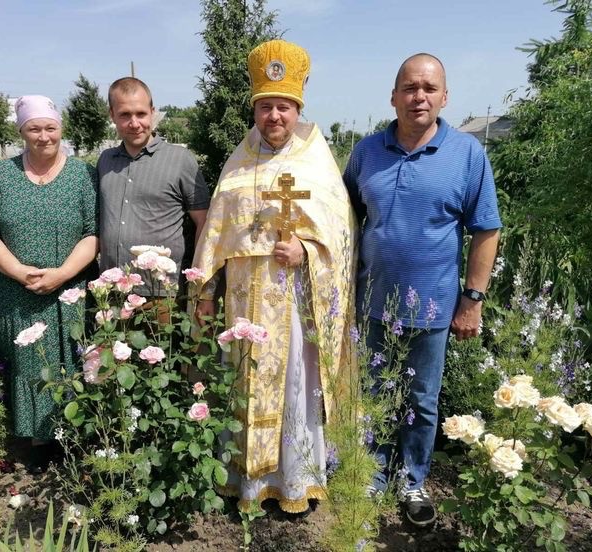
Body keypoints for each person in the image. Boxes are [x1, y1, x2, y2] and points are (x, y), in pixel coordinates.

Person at [192, 39, 356, 515]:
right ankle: (246, 482)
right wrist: (203, 287)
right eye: (265, 107)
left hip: (296, 302)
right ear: (256, 109)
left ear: (297, 107)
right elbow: (217, 230)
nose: (274, 117)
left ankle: (295, 479)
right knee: (243, 379)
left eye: (283, 106)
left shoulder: (317, 159)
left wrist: (305, 248)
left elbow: (340, 231)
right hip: (245, 302)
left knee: (295, 386)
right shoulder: (239, 159)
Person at [343, 53, 502, 526]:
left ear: (445, 97)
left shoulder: (467, 154)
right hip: (372, 301)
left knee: (421, 400)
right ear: (393, 97)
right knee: (370, 392)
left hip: (433, 307)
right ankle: (370, 474)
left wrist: (471, 301)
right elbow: (345, 219)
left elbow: (486, 229)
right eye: (410, 88)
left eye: (429, 88)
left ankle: (412, 481)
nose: (419, 97)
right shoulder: (366, 152)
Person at [0, 95, 99, 473]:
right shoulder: (0, 174)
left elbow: (94, 232)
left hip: (70, 286)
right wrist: (19, 271)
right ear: (21, 132)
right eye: (34, 128)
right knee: (29, 362)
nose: (43, 136)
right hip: (16, 289)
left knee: (71, 358)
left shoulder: (82, 175)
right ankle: (39, 444)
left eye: (50, 127)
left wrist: (61, 273)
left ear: (61, 129)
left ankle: (75, 436)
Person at [97, 77, 209, 305]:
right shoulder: (105, 162)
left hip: (162, 293)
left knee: (165, 342)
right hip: (114, 291)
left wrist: (199, 283)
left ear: (152, 112)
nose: (134, 123)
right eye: (125, 115)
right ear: (112, 115)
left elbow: (204, 221)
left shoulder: (180, 160)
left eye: (141, 114)